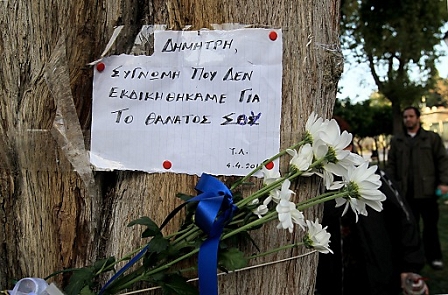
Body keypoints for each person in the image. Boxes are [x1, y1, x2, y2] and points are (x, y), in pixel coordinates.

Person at [315, 116, 427, 295]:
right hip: (333, 278)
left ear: (349, 145)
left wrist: (409, 266)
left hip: (376, 272)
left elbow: (404, 220)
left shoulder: (375, 177)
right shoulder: (316, 186)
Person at [386, 106, 448, 270]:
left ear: (418, 118)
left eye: (411, 116)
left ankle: (434, 257)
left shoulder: (431, 138)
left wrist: (443, 183)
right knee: (409, 229)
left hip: (427, 192)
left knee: (430, 227)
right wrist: (393, 186)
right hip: (406, 194)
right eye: (405, 117)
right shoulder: (397, 140)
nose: (408, 119)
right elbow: (391, 164)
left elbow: (442, 161)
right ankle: (412, 260)